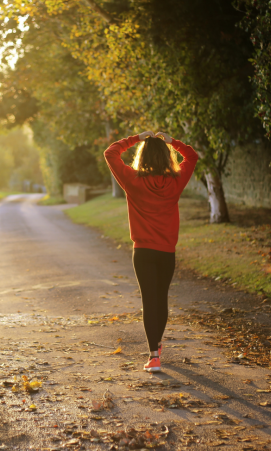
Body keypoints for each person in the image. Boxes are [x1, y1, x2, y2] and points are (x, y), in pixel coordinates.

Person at [104, 131, 199, 372]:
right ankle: (156, 345)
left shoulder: (132, 180)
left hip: (143, 252)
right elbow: (192, 156)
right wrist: (172, 141)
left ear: (142, 157)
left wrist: (136, 138)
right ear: (167, 158)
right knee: (161, 298)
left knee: (149, 300)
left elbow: (110, 153)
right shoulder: (176, 181)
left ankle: (154, 355)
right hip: (166, 252)